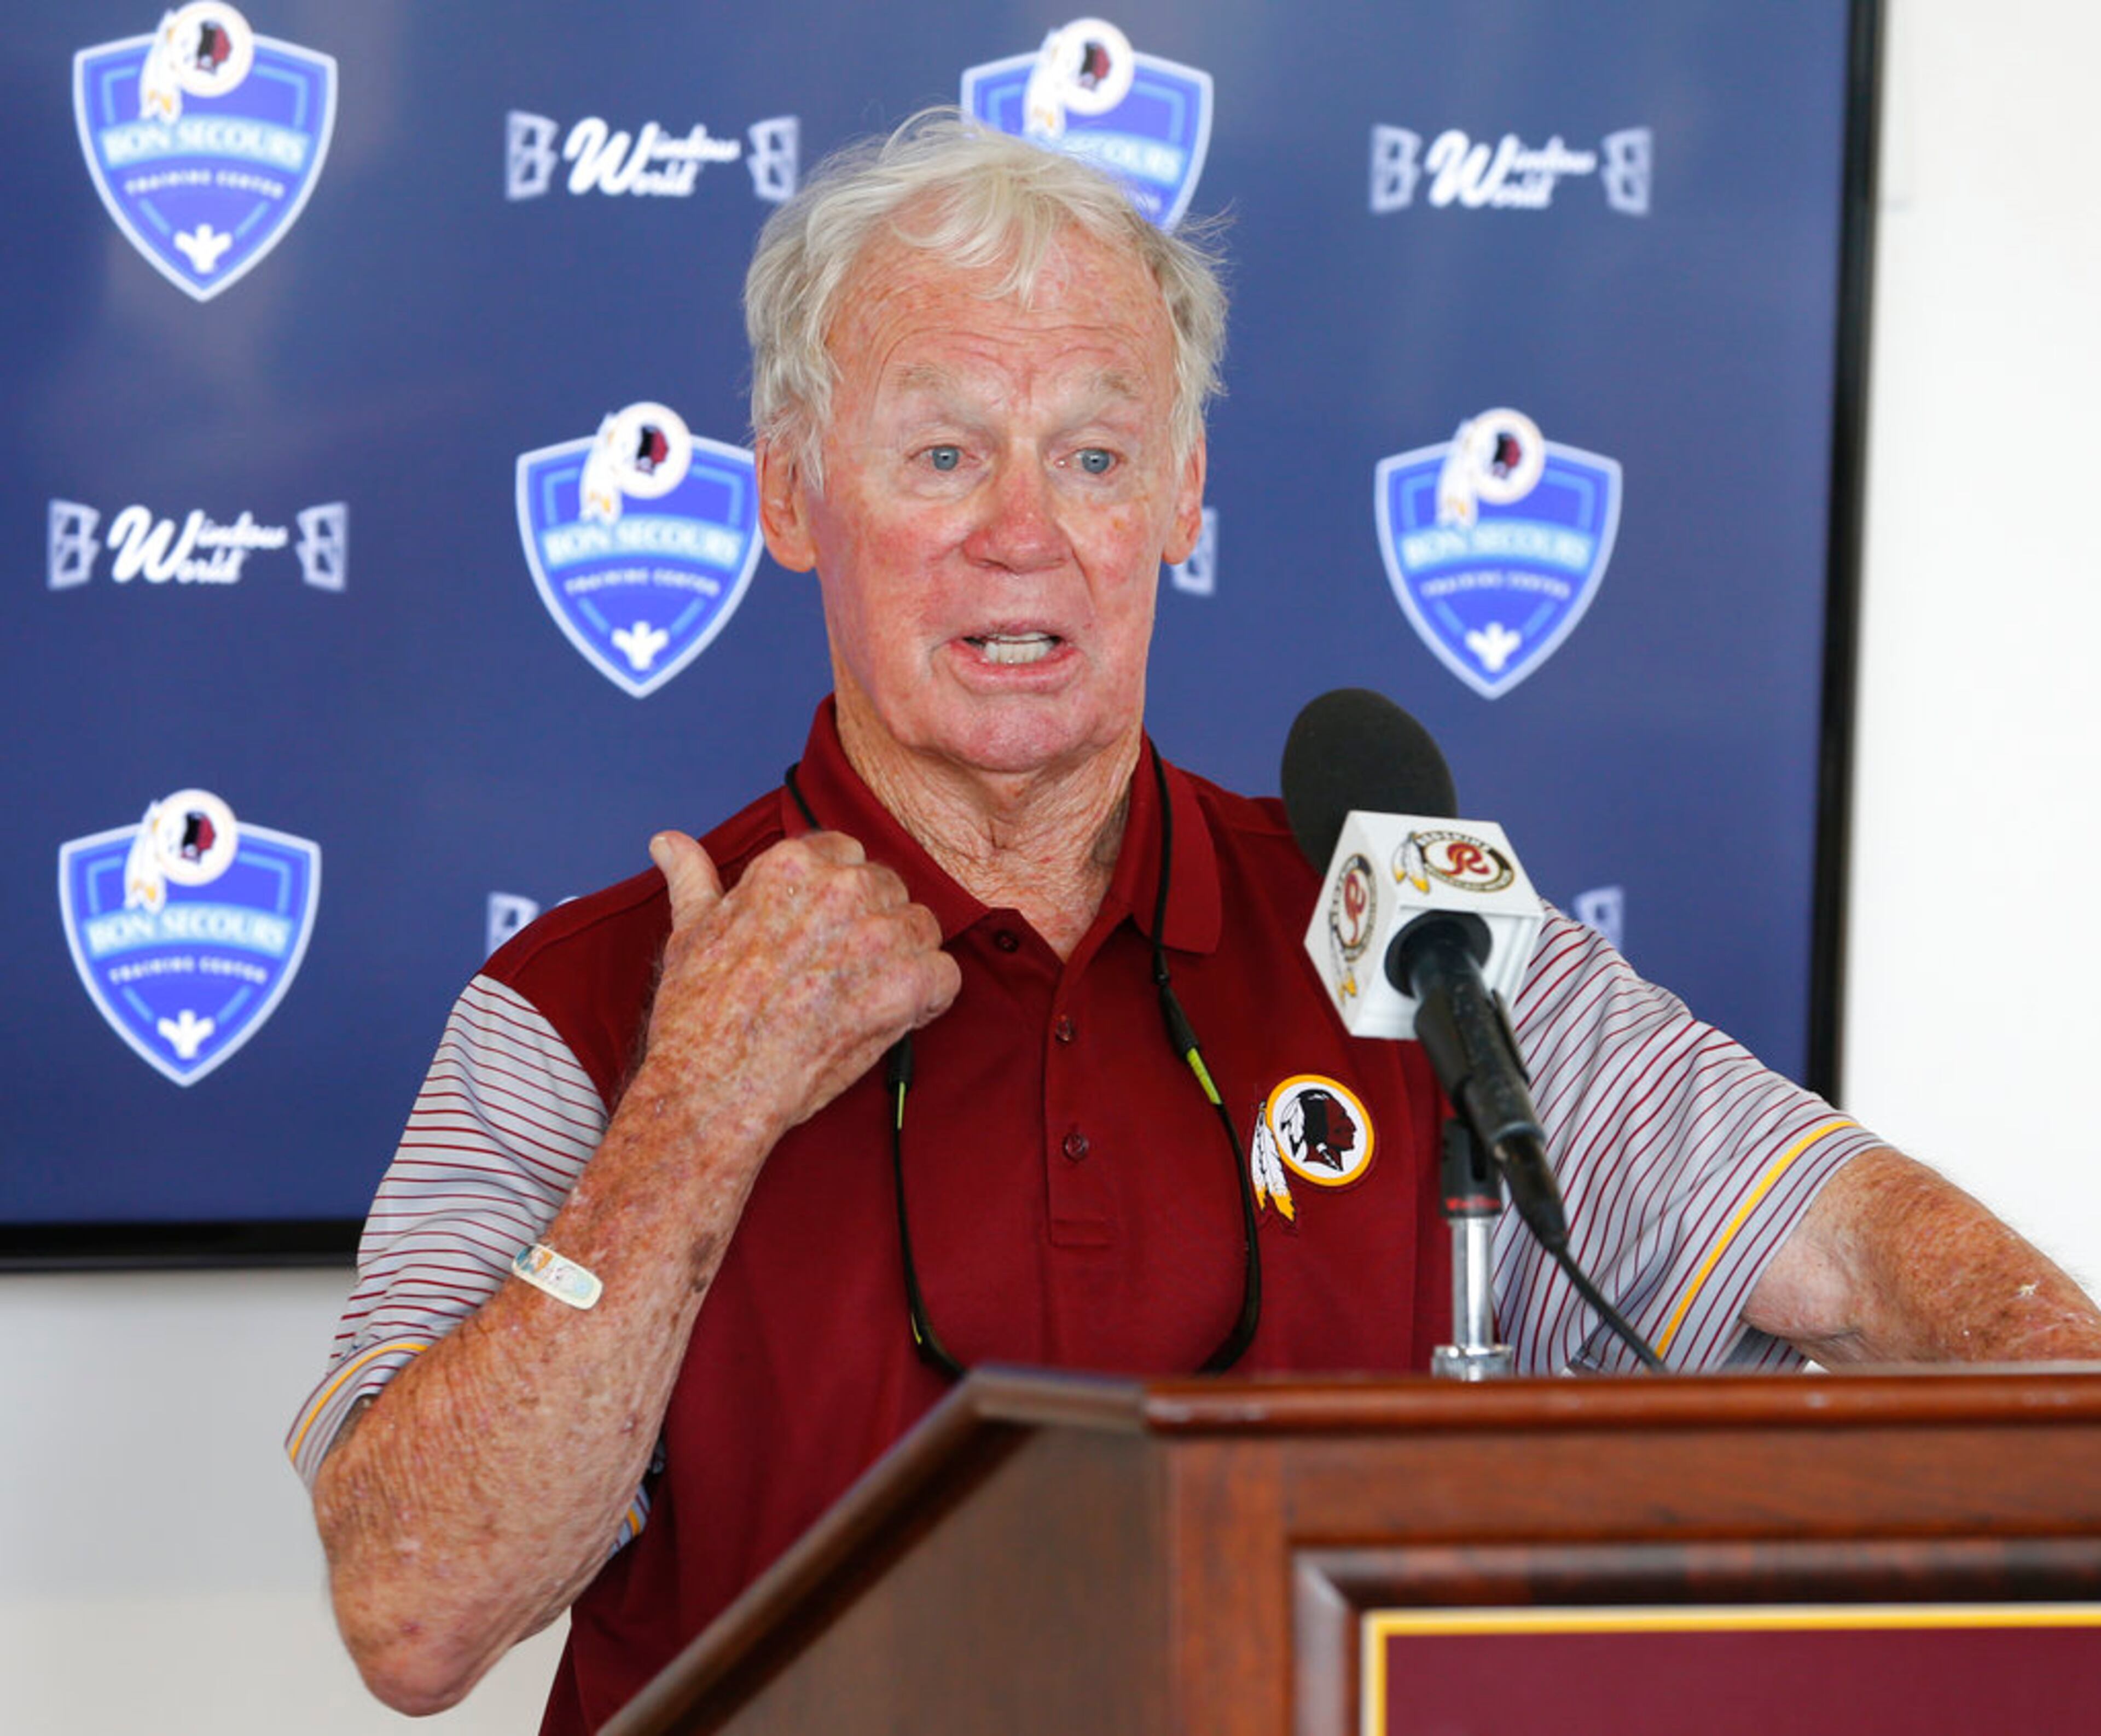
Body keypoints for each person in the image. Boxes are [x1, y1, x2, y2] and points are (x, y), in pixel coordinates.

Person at [290, 113, 2101, 1728]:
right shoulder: (587, 996)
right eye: (941, 456)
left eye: (1093, 456)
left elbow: (1875, 1269)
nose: (1029, 533)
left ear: (1183, 502)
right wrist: (697, 1109)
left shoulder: (1413, 933)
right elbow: (415, 1615)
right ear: (786, 498)